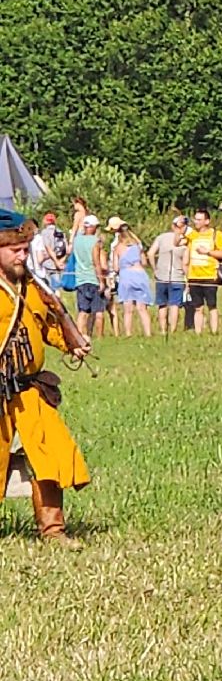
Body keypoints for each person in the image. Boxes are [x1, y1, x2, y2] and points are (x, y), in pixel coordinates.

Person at [0, 210, 92, 546]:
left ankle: (53, 530)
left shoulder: (31, 286)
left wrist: (71, 344)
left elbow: (47, 323)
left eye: (25, 248)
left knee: (49, 455)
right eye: (16, 250)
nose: (23, 256)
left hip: (29, 389)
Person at [183, 209, 222, 334]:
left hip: (209, 275)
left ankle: (214, 332)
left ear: (207, 221)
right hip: (194, 276)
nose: (196, 222)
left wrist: (207, 252)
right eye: (195, 219)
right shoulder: (192, 235)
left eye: (199, 219)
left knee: (212, 306)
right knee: (197, 307)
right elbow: (177, 242)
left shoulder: (215, 235)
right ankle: (198, 332)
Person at [111, 222, 153, 338]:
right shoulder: (138, 245)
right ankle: (148, 333)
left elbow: (115, 267)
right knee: (142, 308)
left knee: (128, 308)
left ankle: (128, 333)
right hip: (140, 275)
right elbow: (144, 262)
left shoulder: (117, 248)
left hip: (126, 276)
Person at [148, 216, 188, 335]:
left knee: (162, 304)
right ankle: (173, 330)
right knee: (174, 305)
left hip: (161, 276)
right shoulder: (185, 242)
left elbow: (150, 253)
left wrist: (155, 269)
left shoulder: (161, 237)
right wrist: (187, 279)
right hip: (177, 277)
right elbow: (185, 263)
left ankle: (163, 330)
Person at [71, 214, 106, 338]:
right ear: (93, 227)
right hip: (92, 278)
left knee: (82, 311)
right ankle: (100, 336)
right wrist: (101, 280)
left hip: (80, 278)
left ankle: (80, 335)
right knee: (99, 311)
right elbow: (96, 262)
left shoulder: (77, 240)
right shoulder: (94, 242)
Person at [28, 214, 67, 288]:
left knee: (49, 290)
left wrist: (55, 261)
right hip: (58, 265)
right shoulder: (61, 232)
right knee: (57, 289)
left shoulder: (44, 233)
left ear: (45, 221)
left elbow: (47, 248)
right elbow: (66, 249)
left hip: (47, 265)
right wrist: (61, 261)